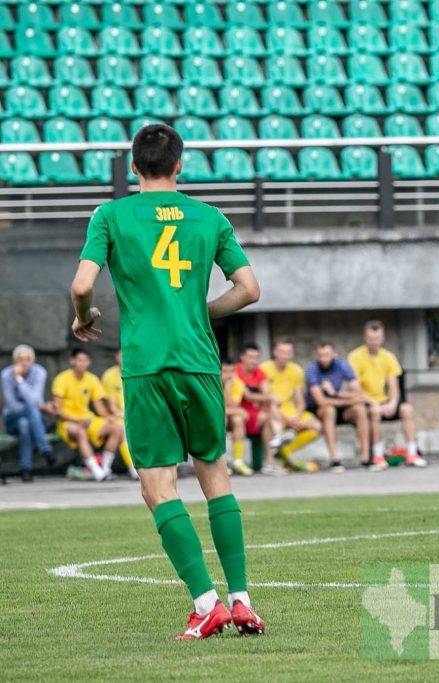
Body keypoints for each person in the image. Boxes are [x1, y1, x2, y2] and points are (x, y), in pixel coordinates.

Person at [68, 123, 265, 639]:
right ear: (180, 164)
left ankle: (206, 602)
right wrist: (201, 313)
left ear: (134, 167)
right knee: (215, 474)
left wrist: (83, 316)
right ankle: (241, 600)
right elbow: (248, 289)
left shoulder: (110, 215)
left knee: (157, 484)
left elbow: (82, 283)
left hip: (147, 365)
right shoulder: (210, 217)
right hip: (199, 361)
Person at [347, 321, 426, 470]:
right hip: (367, 402)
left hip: (385, 401)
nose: (374, 342)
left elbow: (393, 385)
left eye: (377, 339)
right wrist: (373, 402)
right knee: (375, 412)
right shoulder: (355, 357)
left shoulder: (389, 357)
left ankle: (412, 453)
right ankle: (377, 455)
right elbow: (355, 388)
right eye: (371, 339)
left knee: (407, 409)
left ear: (382, 339)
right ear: (365, 338)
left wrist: (393, 403)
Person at [51, 349, 124, 482]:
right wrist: (77, 419)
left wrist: (111, 418)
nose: (83, 363)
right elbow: (57, 410)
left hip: (87, 419)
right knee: (80, 432)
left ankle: (105, 468)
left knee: (117, 428)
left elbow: (100, 408)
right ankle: (97, 472)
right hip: (67, 423)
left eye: (85, 360)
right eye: (79, 360)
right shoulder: (61, 379)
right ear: (72, 361)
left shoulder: (92, 379)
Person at [306, 342, 370, 470]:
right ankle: (334, 458)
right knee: (329, 410)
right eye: (321, 355)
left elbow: (357, 392)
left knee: (360, 409)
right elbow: (321, 401)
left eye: (327, 355)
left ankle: (365, 457)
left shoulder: (343, 365)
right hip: (319, 411)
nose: (324, 359)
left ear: (334, 354)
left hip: (339, 405)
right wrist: (350, 400)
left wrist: (335, 393)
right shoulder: (312, 370)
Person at [260, 340, 321, 472]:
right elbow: (267, 400)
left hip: (291, 411)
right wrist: (288, 419)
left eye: (288, 352)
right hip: (273, 411)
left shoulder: (296, 370)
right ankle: (270, 462)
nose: (285, 356)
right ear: (275, 352)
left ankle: (286, 451)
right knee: (270, 420)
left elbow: (300, 400)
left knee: (316, 426)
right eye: (282, 352)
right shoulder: (264, 369)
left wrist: (297, 417)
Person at [1, 344, 54, 482]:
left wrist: (19, 381)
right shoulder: (6, 374)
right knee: (30, 411)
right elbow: (12, 405)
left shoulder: (39, 372)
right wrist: (17, 378)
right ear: (14, 361)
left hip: (35, 420)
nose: (24, 362)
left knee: (25, 424)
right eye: (20, 359)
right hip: (12, 419)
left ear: (33, 360)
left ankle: (26, 470)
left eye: (28, 359)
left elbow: (34, 398)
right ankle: (45, 449)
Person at [234, 343, 281, 474]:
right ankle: (278, 434)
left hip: (256, 415)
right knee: (269, 405)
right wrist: (267, 398)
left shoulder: (259, 373)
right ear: (242, 357)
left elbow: (267, 392)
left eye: (256, 357)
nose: (254, 361)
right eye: (250, 357)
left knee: (268, 415)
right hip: (238, 412)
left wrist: (265, 402)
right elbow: (247, 396)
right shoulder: (235, 370)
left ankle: (269, 463)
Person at [100, 348, 138, 479]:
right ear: (116, 357)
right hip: (119, 417)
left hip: (136, 415)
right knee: (123, 432)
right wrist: (124, 415)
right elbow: (111, 406)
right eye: (121, 355)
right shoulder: (109, 375)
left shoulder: (137, 371)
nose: (123, 358)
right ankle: (132, 469)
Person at [222, 359, 253, 476]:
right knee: (222, 419)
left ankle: (238, 461)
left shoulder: (238, 383)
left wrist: (228, 388)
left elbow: (232, 405)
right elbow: (215, 410)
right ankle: (221, 463)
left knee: (238, 420)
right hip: (215, 418)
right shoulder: (212, 383)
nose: (229, 375)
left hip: (229, 415)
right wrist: (236, 411)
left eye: (231, 371)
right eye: (225, 371)